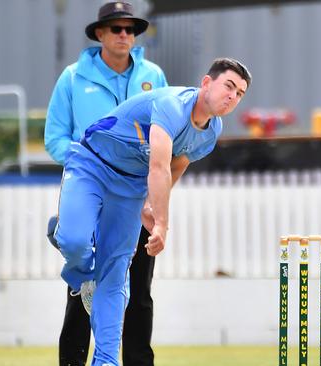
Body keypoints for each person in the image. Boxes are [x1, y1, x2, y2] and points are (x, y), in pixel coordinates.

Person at [51, 58, 251, 366]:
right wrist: (161, 224)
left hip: (129, 186)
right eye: (228, 86)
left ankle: (106, 360)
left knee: (116, 274)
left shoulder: (212, 131)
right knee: (75, 243)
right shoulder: (172, 104)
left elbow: (178, 163)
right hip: (92, 163)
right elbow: (158, 166)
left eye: (240, 94)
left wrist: (148, 204)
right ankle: (62, 236)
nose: (232, 97)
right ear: (207, 83)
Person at [44, 2, 168, 365]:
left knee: (139, 289)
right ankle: (73, 360)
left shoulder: (153, 76)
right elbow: (54, 139)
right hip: (91, 190)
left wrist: (156, 196)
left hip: (137, 194)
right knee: (82, 288)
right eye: (116, 29)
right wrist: (91, 167)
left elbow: (166, 138)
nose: (125, 35)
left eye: (130, 29)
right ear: (99, 34)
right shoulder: (72, 78)